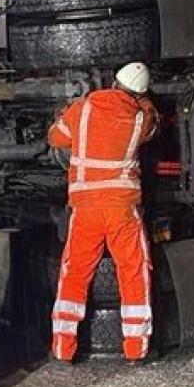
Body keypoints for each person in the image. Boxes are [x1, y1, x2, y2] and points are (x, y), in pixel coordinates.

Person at [46, 61, 159, 362]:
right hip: (121, 210)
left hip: (85, 210)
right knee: (134, 272)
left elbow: (55, 138)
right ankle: (136, 348)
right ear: (139, 94)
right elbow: (153, 127)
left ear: (114, 83)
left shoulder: (81, 109)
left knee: (74, 273)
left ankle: (62, 348)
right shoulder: (139, 117)